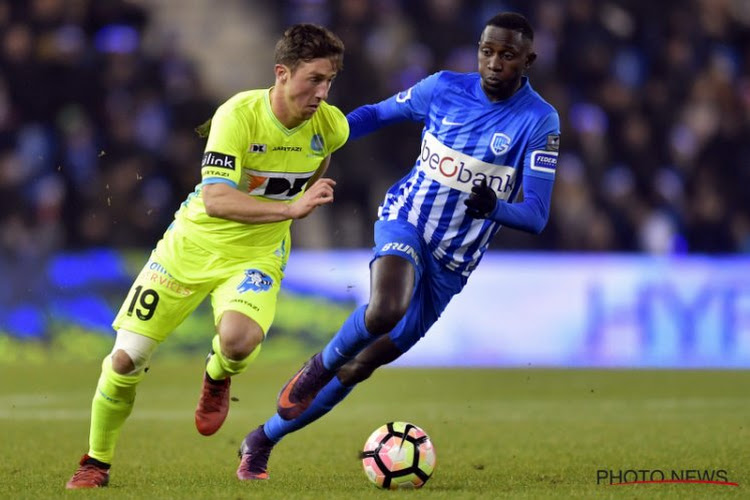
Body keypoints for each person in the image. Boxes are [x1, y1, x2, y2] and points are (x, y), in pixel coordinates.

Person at [236, 12, 561, 480]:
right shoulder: (443, 88)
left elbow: (535, 214)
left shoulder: (539, 121)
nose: (494, 63)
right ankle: (315, 367)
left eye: (507, 56)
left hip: (452, 265)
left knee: (360, 367)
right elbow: (375, 115)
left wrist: (494, 207)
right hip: (406, 221)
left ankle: (261, 439)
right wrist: (318, 140)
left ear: (527, 60)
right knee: (386, 307)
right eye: (487, 51)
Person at [66, 24, 349, 489]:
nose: (323, 92)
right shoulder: (237, 115)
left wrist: (293, 204)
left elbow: (318, 163)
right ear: (281, 73)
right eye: (314, 79)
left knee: (239, 341)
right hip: (191, 246)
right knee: (124, 360)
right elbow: (216, 199)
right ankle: (96, 461)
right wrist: (290, 207)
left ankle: (217, 374)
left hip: (257, 253)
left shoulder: (330, 127)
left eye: (329, 80)